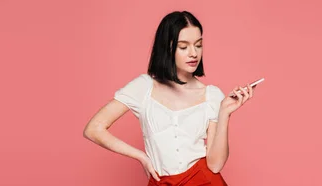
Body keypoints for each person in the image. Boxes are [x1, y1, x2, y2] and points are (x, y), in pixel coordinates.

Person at [83, 11, 256, 185]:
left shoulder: (211, 95)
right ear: (166, 48)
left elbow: (215, 165)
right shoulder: (143, 87)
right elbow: (94, 129)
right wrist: (141, 156)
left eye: (198, 45)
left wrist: (224, 113)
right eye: (183, 47)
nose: (193, 53)